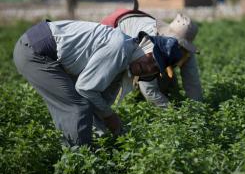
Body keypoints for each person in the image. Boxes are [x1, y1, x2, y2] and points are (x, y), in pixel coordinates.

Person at [13, 19, 183, 146]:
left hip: (39, 50)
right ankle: (80, 163)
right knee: (76, 108)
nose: (149, 67)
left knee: (77, 108)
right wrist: (110, 117)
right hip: (36, 51)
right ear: (145, 45)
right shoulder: (120, 49)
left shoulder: (125, 64)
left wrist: (116, 132)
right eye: (152, 58)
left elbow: (99, 100)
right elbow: (85, 90)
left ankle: (74, 152)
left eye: (156, 67)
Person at [100, 2, 203, 108]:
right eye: (174, 45)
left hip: (137, 23)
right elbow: (148, 88)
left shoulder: (185, 53)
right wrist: (171, 111)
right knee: (128, 79)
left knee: (166, 80)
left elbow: (192, 82)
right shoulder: (150, 44)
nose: (176, 49)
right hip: (116, 31)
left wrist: (197, 109)